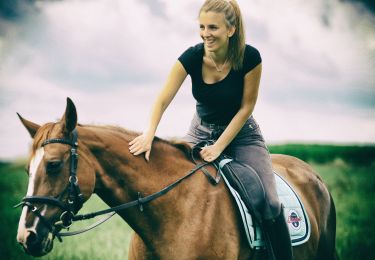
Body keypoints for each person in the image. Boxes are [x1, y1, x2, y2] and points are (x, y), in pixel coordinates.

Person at [129, 0, 292, 259]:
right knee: (173, 187)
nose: (206, 33)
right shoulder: (192, 57)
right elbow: (162, 100)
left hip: (241, 134)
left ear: (231, 29)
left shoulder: (250, 58)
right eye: (202, 27)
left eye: (213, 27)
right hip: (199, 131)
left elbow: (246, 108)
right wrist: (149, 133)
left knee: (269, 203)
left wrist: (219, 147)